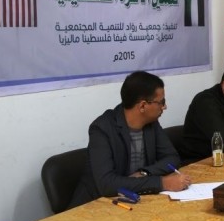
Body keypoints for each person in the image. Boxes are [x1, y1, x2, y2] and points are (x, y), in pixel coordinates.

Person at [69, 71, 191, 209]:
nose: (165, 107)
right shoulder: (102, 129)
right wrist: (162, 183)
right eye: (161, 102)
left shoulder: (151, 123)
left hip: (133, 200)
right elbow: (107, 184)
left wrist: (144, 173)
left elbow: (172, 158)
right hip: (95, 206)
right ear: (143, 106)